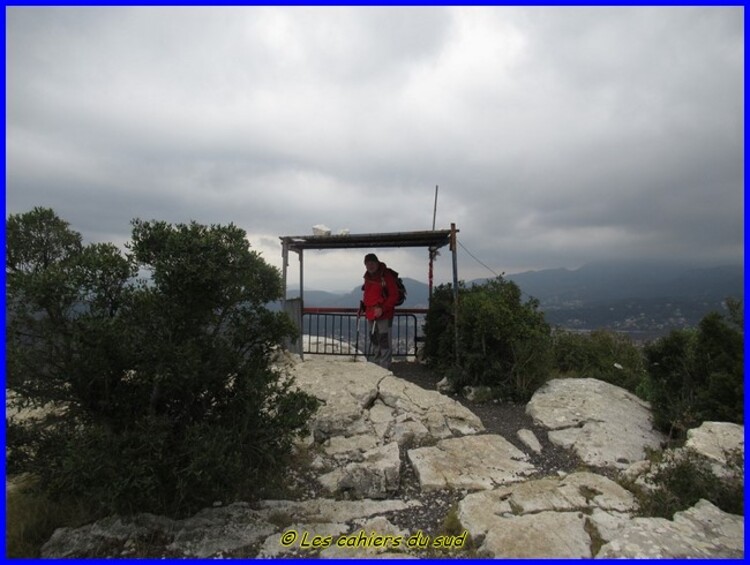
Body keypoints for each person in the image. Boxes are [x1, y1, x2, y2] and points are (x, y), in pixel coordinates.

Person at [360, 253, 399, 369]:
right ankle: (377, 365)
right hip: (371, 313)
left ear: (377, 263)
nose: (370, 266)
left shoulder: (386, 276)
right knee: (374, 339)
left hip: (384, 315)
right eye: (367, 264)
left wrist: (382, 308)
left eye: (372, 263)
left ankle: (384, 367)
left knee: (383, 340)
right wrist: (364, 307)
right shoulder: (367, 277)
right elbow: (368, 294)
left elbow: (394, 295)